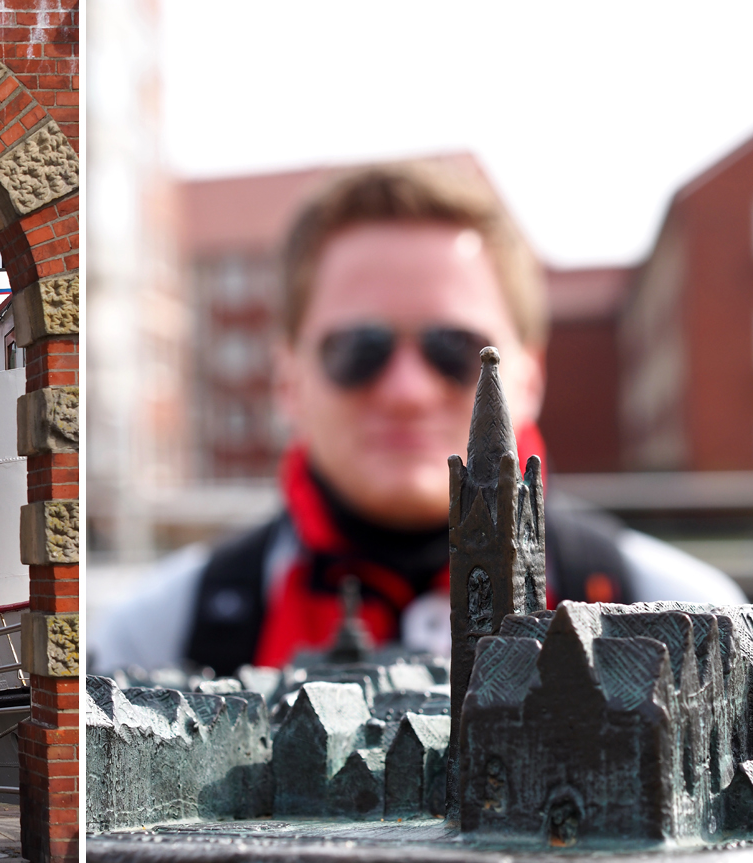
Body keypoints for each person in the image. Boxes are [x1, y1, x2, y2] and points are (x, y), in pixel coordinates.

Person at [91, 161, 744, 676]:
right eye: (358, 350)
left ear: (531, 376)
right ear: (287, 381)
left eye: (458, 352)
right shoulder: (150, 640)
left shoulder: (692, 621)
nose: (406, 391)